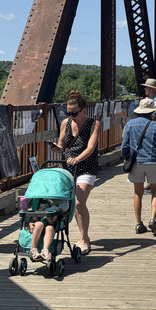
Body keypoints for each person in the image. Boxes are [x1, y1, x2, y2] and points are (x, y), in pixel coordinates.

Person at [50, 90, 100, 254]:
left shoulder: (93, 123)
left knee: (79, 203)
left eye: (75, 113)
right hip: (68, 167)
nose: (71, 116)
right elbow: (62, 146)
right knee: (62, 203)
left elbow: (91, 148)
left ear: (83, 110)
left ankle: (84, 238)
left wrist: (78, 159)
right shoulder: (65, 123)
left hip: (86, 167)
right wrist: (56, 149)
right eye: (69, 112)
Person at [121, 98, 156, 236]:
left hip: (136, 162)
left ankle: (138, 224)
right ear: (152, 111)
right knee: (155, 191)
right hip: (154, 161)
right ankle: (153, 219)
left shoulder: (130, 125)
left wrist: (127, 159)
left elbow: (124, 146)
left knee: (138, 193)